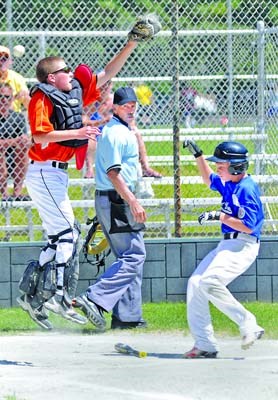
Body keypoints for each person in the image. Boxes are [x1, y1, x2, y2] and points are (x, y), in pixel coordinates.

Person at [17, 37, 143, 330]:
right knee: (67, 235)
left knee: (58, 237)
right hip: (44, 171)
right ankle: (58, 296)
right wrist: (80, 130)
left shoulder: (70, 93)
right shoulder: (42, 97)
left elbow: (106, 75)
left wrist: (130, 43)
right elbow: (39, 136)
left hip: (56, 174)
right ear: (52, 77)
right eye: (66, 70)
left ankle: (31, 296)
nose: (71, 74)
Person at [74, 86, 148, 330]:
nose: (130, 109)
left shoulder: (123, 130)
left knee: (129, 257)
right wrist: (133, 201)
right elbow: (113, 173)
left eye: (133, 106)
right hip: (116, 198)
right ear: (114, 107)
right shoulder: (115, 133)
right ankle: (95, 298)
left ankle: (127, 317)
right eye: (126, 105)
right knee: (134, 255)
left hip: (114, 198)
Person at [182, 139, 265, 358]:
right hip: (228, 243)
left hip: (243, 244)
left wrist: (219, 216)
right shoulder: (228, 182)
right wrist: (198, 155)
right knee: (196, 283)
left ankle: (249, 324)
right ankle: (205, 344)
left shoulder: (247, 189)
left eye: (222, 164)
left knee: (209, 281)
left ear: (236, 166)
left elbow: (249, 225)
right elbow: (208, 179)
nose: (218, 167)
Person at [0, 82, 30, 201]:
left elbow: (24, 141)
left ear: (12, 98)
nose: (3, 100)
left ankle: (17, 193)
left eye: (7, 97)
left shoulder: (18, 117)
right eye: (0, 97)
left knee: (23, 150)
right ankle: (5, 194)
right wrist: (15, 141)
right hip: (1, 158)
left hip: (14, 157)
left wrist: (21, 141)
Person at [0, 45, 30, 112]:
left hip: (13, 116)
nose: (1, 61)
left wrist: (25, 96)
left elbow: (28, 104)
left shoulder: (16, 77)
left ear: (10, 61)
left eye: (4, 58)